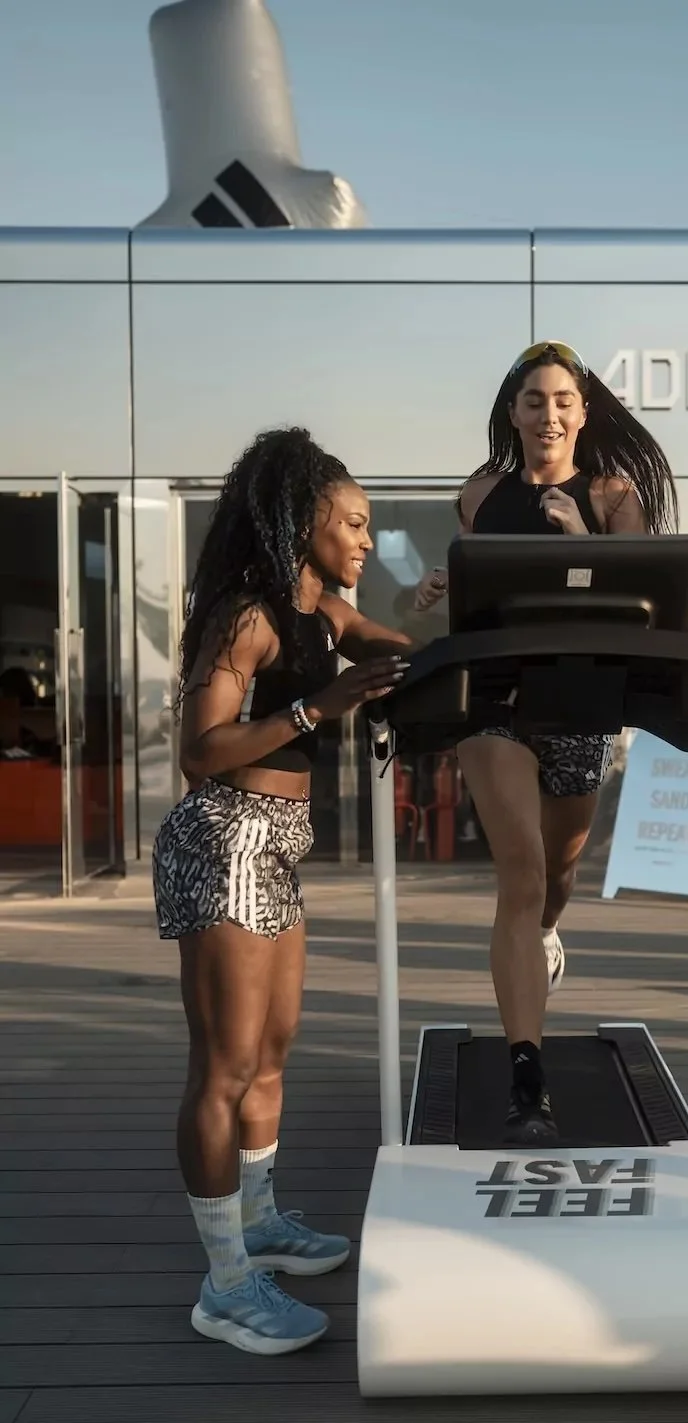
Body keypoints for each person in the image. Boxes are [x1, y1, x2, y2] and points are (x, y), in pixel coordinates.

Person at [153, 427, 411, 1356]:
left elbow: (386, 643)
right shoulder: (247, 615)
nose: (366, 540)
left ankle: (256, 1222)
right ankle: (225, 1284)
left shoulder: (321, 608)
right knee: (222, 1066)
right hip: (225, 837)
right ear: (304, 520)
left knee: (271, 1051)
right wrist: (315, 710)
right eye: (353, 522)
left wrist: (418, 628)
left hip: (280, 847)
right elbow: (198, 752)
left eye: (371, 527)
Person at [413, 340, 678, 1145]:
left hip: (582, 706)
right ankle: (528, 1078)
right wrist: (440, 585)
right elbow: (482, 594)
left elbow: (650, 605)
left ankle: (550, 934)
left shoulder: (612, 493)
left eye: (562, 400)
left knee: (555, 880)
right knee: (520, 877)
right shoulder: (481, 492)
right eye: (534, 400)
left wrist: (584, 542)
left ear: (582, 411)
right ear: (513, 411)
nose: (549, 413)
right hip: (496, 703)